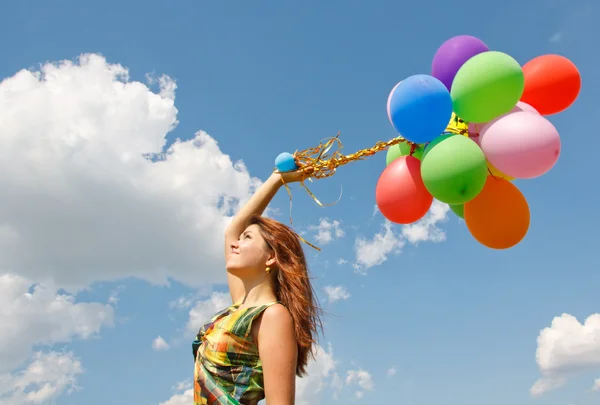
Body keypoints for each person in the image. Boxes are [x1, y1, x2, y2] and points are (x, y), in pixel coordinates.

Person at [193, 164, 323, 405]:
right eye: (241, 238)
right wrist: (277, 179)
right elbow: (233, 230)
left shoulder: (273, 316)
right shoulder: (238, 309)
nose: (236, 243)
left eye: (248, 238)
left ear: (271, 257)